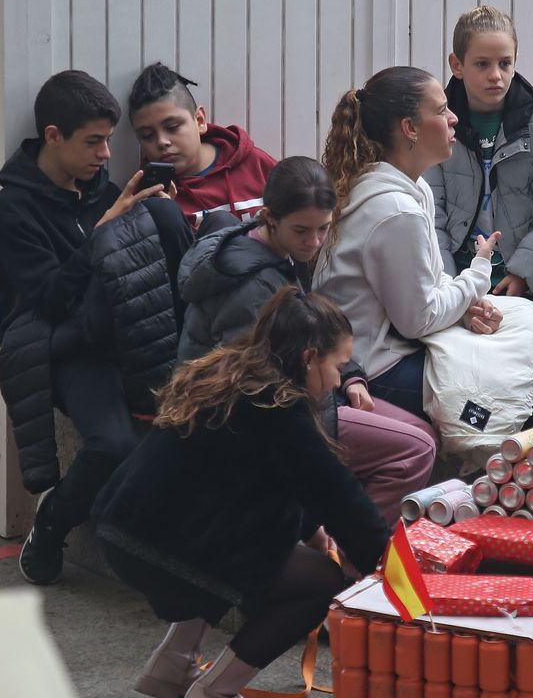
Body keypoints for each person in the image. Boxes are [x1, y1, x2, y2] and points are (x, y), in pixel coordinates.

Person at [93, 287, 392, 698]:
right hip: (160, 543)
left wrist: (312, 533)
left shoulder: (234, 372)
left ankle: (173, 666)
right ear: (310, 358)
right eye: (337, 366)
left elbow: (272, 483)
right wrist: (389, 566)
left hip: (124, 526)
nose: (337, 381)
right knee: (318, 583)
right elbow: (335, 491)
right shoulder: (281, 407)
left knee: (241, 553)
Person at [314, 65, 533, 436]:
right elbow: (417, 318)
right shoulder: (395, 209)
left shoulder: (408, 189)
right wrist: (477, 276)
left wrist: (467, 309)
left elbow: (427, 288)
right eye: (441, 110)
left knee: (532, 330)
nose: (453, 117)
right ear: (410, 129)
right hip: (375, 371)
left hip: (401, 346)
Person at [0, 70, 176, 586]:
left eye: (109, 140)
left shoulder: (97, 190)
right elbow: (47, 301)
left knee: (167, 219)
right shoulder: (12, 212)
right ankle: (50, 526)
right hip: (60, 347)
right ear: (53, 137)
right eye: (93, 142)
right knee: (114, 443)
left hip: (119, 328)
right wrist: (102, 236)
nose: (106, 155)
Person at [178, 157, 437, 521]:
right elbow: (261, 386)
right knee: (415, 449)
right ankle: (354, 563)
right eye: (302, 230)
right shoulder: (252, 285)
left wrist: (350, 376)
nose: (314, 241)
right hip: (254, 421)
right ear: (269, 216)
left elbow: (317, 334)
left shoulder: (284, 252)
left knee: (421, 429)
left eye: (323, 229)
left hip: (311, 393)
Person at [423, 5, 533, 316]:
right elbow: (432, 219)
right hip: (458, 281)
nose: (495, 75)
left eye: (504, 63)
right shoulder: (438, 125)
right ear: (457, 65)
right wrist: (449, 288)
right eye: (482, 64)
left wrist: (523, 274)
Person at [128, 61, 278, 228]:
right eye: (147, 136)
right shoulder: (146, 196)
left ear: (199, 120)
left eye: (172, 127)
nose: (162, 142)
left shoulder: (256, 165)